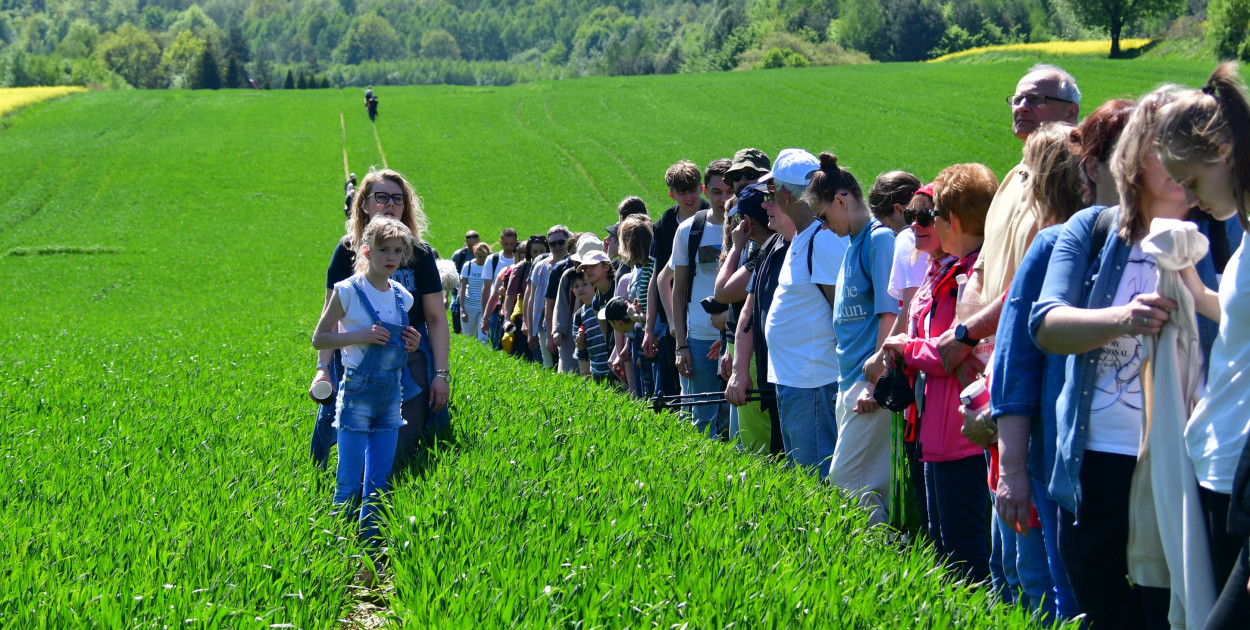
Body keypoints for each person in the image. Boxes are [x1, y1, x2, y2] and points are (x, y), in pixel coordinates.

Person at [1031, 87, 1222, 629]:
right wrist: (1124, 318)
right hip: (1096, 464)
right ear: (1137, 154)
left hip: (1189, 463)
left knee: (1178, 611)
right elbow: (1045, 324)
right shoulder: (1092, 230)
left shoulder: (1224, 232)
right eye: (1168, 146)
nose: (1184, 161)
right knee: (1104, 608)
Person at [1155, 62, 1250, 628]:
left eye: (1190, 181)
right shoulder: (1246, 239)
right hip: (1220, 464)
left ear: (1224, 151)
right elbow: (1239, 320)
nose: (1189, 198)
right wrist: (1191, 286)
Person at [989, 120, 1095, 622]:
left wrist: (1011, 469)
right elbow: (1016, 364)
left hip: (1059, 450)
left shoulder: (1055, 244)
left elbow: (1014, 364)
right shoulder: (1065, 245)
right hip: (1072, 450)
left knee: (1063, 589)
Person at [883, 163, 997, 581]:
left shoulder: (972, 275)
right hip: (936, 425)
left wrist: (906, 349)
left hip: (962, 429)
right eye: (913, 217)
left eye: (927, 216)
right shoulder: (942, 272)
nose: (916, 225)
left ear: (953, 220)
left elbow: (953, 351)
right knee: (943, 544)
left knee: (964, 551)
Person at [310, 168, 451, 470]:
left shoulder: (420, 253)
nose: (390, 204)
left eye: (398, 199)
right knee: (351, 446)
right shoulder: (347, 250)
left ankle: (383, 494)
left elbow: (436, 318)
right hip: (355, 363)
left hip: (408, 364)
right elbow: (329, 318)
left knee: (397, 453)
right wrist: (322, 370)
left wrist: (441, 375)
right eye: (382, 197)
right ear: (364, 204)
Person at [311, 216, 421, 579]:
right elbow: (320, 338)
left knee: (379, 483)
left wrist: (413, 343)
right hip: (356, 396)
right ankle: (335, 560)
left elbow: (403, 344)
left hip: (391, 398)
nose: (391, 257)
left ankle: (369, 561)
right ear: (367, 251)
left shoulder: (403, 296)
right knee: (348, 481)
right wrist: (360, 335)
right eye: (383, 249)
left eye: (397, 251)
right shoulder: (347, 291)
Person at [810, 153, 899, 527]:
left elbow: (891, 314)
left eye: (823, 215)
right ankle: (879, 556)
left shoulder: (879, 241)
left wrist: (876, 383)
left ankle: (876, 556)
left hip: (868, 388)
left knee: (846, 486)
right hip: (849, 383)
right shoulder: (853, 244)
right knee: (861, 492)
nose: (823, 226)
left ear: (840, 200)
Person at [761, 148, 849, 478]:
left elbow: (843, 314)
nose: (769, 199)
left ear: (785, 194)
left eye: (772, 189)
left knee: (815, 479)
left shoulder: (822, 241)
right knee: (804, 477)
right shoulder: (804, 237)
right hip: (796, 379)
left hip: (813, 382)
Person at [670, 159, 731, 438]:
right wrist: (681, 345)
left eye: (729, 191)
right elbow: (679, 290)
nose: (723, 199)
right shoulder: (689, 230)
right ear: (705, 191)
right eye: (716, 192)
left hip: (737, 339)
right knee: (703, 421)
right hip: (700, 339)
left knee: (737, 421)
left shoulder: (752, 228)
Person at [717, 183, 776, 453]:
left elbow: (722, 292)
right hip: (754, 350)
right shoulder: (771, 248)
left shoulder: (761, 252)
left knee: (755, 435)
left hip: (754, 353)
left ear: (748, 222)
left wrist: (736, 246)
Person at [643, 160, 711, 398]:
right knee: (674, 389)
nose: (689, 198)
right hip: (672, 320)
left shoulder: (714, 217)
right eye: (682, 193)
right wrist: (651, 327)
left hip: (707, 316)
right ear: (671, 194)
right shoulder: (663, 226)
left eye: (692, 191)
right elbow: (657, 278)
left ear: (701, 188)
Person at [618, 215, 655, 397]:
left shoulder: (648, 269)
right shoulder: (644, 267)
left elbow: (652, 313)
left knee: (651, 390)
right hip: (642, 333)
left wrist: (635, 316)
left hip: (650, 334)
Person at [525, 225, 570, 367]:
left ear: (568, 241)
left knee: (567, 364)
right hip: (544, 325)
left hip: (568, 323)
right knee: (548, 365)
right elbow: (532, 299)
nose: (557, 246)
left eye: (561, 242)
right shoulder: (540, 266)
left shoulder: (574, 265)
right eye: (552, 244)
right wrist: (531, 330)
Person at [479, 228, 517, 349]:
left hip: (515, 305)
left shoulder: (520, 258)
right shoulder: (493, 259)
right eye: (506, 244)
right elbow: (486, 288)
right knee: (496, 339)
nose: (509, 247)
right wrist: (485, 316)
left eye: (512, 244)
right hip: (496, 306)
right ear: (501, 242)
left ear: (517, 242)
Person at [449, 231, 481, 336]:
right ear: (465, 240)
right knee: (457, 317)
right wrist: (445, 296)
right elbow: (449, 275)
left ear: (479, 239)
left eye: (474, 236)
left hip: (479, 294)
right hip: (459, 292)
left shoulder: (486, 254)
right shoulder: (460, 255)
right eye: (468, 237)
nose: (471, 239)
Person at [459, 243, 491, 344]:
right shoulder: (468, 266)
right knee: (468, 337)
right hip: (469, 306)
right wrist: (463, 310)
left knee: (483, 338)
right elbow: (462, 288)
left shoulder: (489, 267)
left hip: (484, 307)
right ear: (475, 254)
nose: (482, 259)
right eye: (479, 256)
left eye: (484, 257)